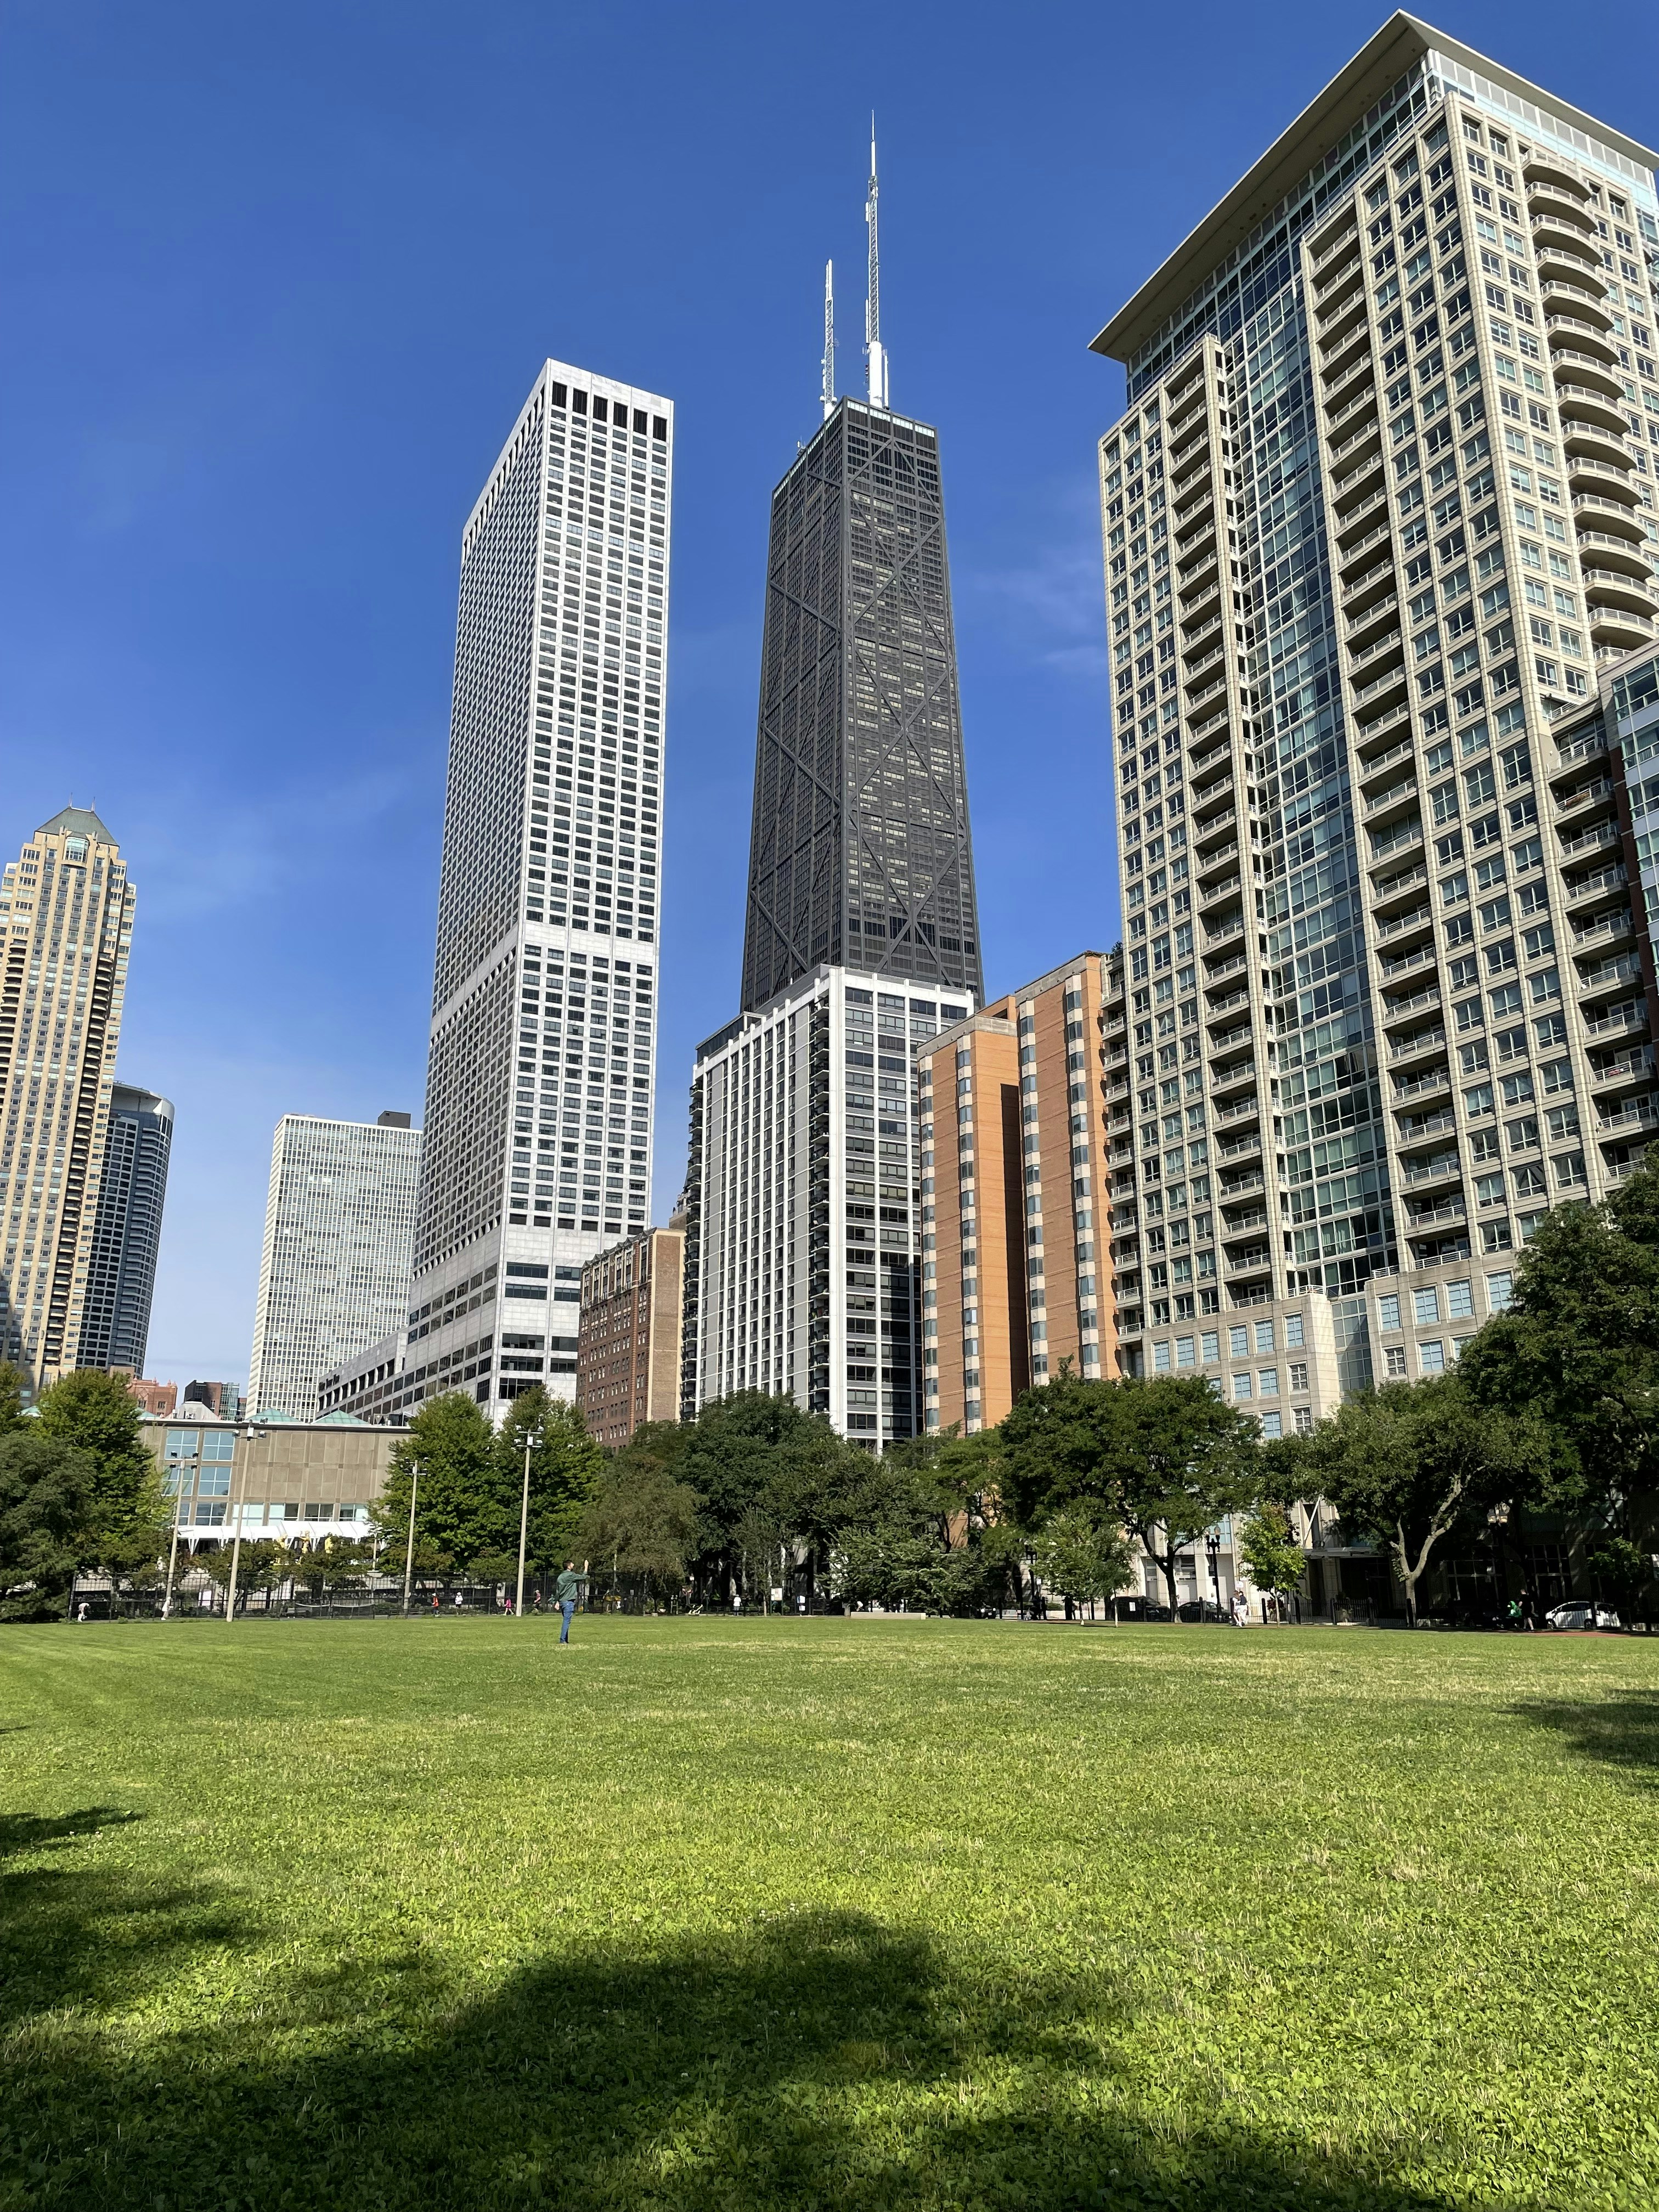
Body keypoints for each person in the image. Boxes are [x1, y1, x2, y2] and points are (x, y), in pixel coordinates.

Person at [555, 1560, 589, 1644]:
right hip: (569, 1602)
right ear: (569, 1566)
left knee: (566, 1620)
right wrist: (586, 1568)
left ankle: (565, 1640)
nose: (573, 1565)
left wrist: (557, 1601)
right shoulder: (570, 1575)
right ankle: (563, 1640)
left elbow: (558, 1591)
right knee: (566, 1621)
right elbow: (583, 1577)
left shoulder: (560, 1577)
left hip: (562, 1602)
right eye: (572, 1564)